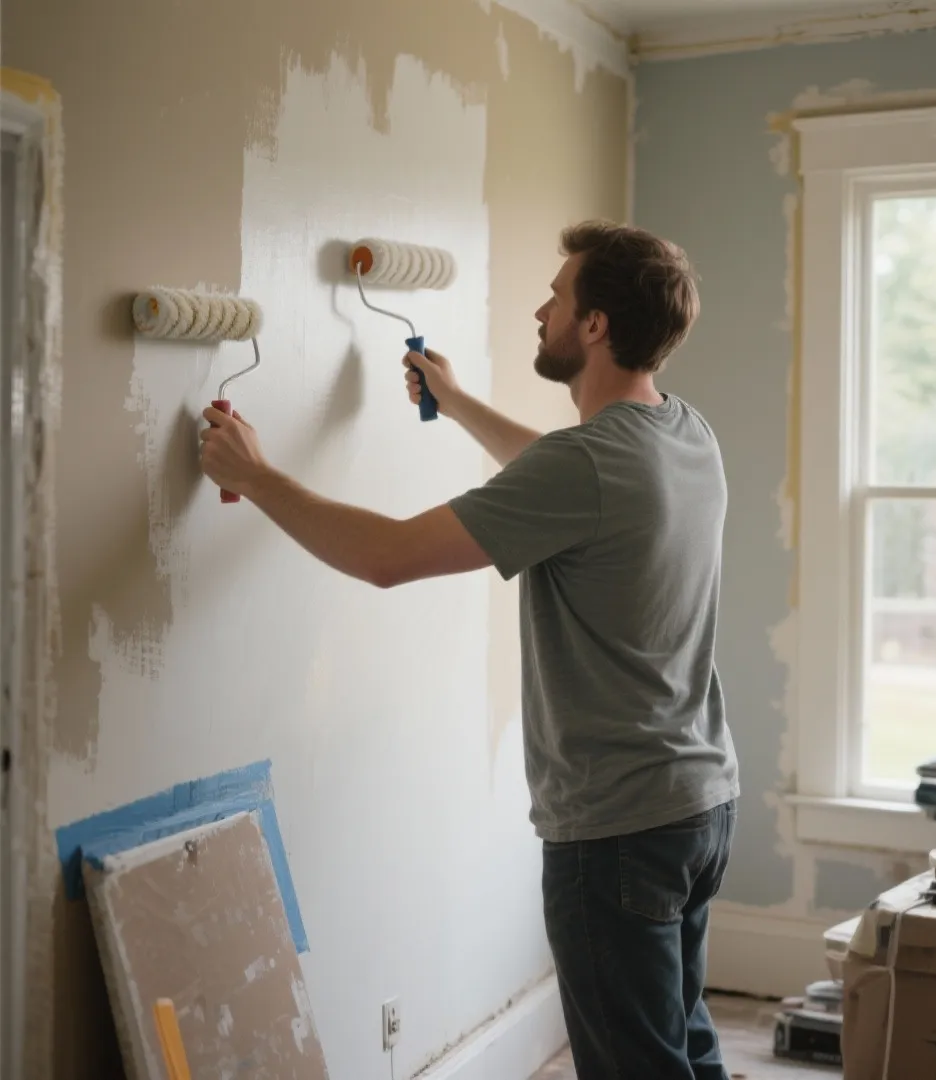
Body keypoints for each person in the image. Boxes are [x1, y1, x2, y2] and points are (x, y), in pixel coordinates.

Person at [199, 221, 738, 1080]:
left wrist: (259, 477)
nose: (540, 308)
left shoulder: (586, 466)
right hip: (699, 805)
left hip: (620, 826)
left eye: (558, 295)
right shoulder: (682, 433)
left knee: (636, 1066)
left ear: (594, 325)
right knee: (683, 1048)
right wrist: (454, 404)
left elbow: (386, 559)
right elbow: (561, 477)